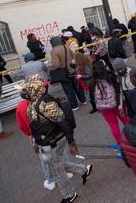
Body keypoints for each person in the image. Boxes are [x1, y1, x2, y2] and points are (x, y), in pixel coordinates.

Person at [24, 74, 93, 203]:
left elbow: (63, 122)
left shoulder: (46, 103)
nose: (24, 92)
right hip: (45, 141)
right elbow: (34, 124)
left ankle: (69, 195)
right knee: (58, 164)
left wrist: (71, 142)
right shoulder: (34, 101)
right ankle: (84, 169)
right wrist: (35, 142)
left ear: (34, 89)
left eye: (26, 89)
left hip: (53, 141)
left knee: (57, 169)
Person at [91, 61, 128, 145]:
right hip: (117, 104)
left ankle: (121, 145)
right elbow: (119, 91)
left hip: (104, 109)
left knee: (113, 125)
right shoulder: (111, 76)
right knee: (126, 120)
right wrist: (120, 105)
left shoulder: (92, 81)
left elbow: (92, 98)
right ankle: (132, 138)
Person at [50, 36, 87, 111]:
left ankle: (74, 106)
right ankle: (83, 100)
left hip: (63, 73)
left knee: (68, 89)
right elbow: (74, 58)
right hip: (72, 69)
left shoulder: (54, 51)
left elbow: (56, 65)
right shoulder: (66, 47)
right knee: (77, 86)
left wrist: (56, 66)